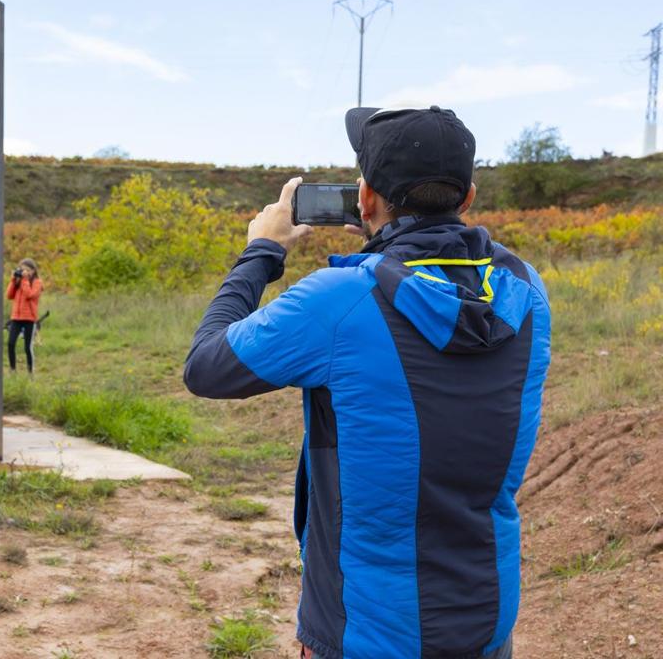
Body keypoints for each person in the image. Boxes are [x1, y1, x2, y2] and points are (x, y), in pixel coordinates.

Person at [184, 106, 550, 659]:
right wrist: (392, 240)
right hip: (484, 621)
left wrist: (261, 251)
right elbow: (436, 282)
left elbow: (207, 366)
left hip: (365, 634)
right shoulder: (527, 290)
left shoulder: (340, 299)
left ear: (365, 195)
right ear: (468, 197)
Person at [6, 258, 43, 373]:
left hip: (29, 319)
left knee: (28, 347)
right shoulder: (19, 281)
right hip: (16, 318)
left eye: (26, 270)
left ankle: (30, 372)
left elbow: (29, 295)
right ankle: (13, 370)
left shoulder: (37, 282)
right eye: (21, 269)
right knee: (10, 343)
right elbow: (9, 295)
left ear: (33, 270)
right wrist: (13, 280)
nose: (23, 272)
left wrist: (25, 280)